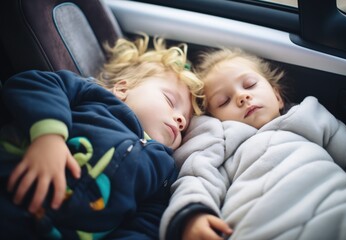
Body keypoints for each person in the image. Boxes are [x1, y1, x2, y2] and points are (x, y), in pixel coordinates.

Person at [0, 34, 204, 239]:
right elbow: (36, 82)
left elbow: (149, 220)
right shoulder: (95, 97)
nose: (181, 121)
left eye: (185, 122)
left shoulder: (164, 169)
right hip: (13, 192)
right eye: (170, 100)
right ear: (123, 89)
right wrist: (49, 137)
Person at [160, 47, 346, 240]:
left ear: (278, 96)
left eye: (249, 85)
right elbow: (197, 178)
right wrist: (192, 215)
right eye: (223, 101)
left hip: (340, 212)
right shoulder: (220, 142)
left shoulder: (310, 116)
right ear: (215, 118)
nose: (241, 96)